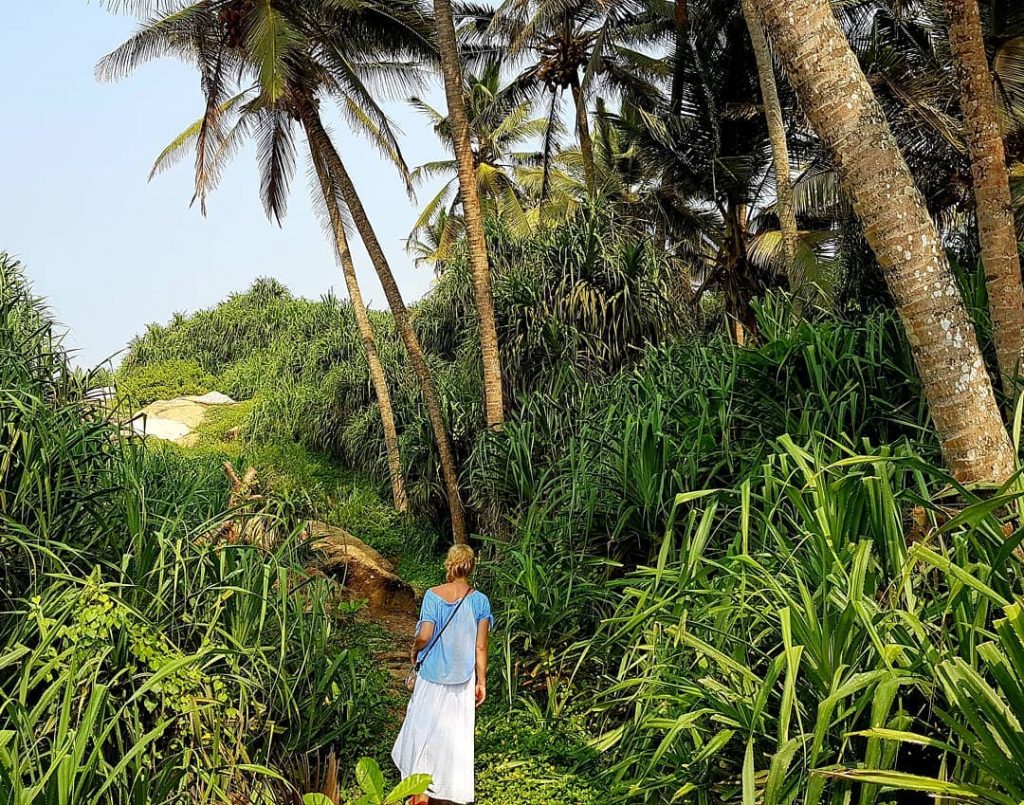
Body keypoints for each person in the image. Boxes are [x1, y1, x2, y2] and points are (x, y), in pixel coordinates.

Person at [392, 544, 492, 804]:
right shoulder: (480, 601)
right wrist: (481, 681)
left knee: (422, 731)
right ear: (470, 567)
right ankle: (447, 790)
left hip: (432, 677)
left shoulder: (433, 596)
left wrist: (415, 649)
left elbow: (425, 635)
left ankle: (419, 792)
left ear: (449, 564)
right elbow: (480, 646)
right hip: (462, 680)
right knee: (454, 736)